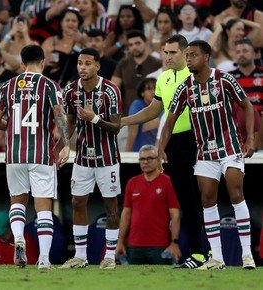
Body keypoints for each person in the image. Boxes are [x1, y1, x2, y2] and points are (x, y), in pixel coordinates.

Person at [158, 40, 256, 270]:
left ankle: (247, 255)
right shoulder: (185, 87)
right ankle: (217, 259)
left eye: (193, 55)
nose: (188, 59)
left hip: (230, 147)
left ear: (206, 57)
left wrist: (250, 138)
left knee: (235, 194)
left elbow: (247, 106)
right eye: (187, 55)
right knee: (207, 200)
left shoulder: (224, 79)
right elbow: (170, 119)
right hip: (205, 152)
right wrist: (161, 146)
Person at [121, 34, 205, 269]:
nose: (167, 57)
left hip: (196, 140)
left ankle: (208, 253)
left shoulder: (196, 75)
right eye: (165, 52)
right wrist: (125, 121)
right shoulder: (163, 79)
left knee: (203, 199)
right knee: (186, 201)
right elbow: (154, 110)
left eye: (173, 52)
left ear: (185, 52)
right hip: (172, 142)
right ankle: (197, 254)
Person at [0, 44, 70, 269]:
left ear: (22, 64)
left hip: (14, 155)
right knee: (43, 207)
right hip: (41, 154)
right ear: (43, 62)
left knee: (17, 202)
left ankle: (18, 239)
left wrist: (12, 126)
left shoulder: (8, 85)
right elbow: (60, 115)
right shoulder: (50, 85)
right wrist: (64, 144)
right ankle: (43, 259)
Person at [60, 48, 122, 270]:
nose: (82, 68)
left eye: (87, 63)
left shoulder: (110, 91)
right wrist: (65, 146)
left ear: (97, 66)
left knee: (111, 205)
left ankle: (110, 255)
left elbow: (116, 127)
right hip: (83, 158)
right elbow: (70, 122)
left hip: (107, 157)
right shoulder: (70, 91)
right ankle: (80, 256)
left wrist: (94, 118)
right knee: (77, 202)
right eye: (79, 63)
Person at [116, 144, 181, 264]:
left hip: (159, 246)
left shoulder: (167, 182)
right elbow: (126, 214)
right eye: (142, 159)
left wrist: (174, 242)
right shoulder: (132, 182)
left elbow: (175, 214)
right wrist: (120, 242)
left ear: (158, 160)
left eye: (150, 158)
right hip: (134, 245)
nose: (145, 162)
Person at [231, 37, 263, 149]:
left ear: (254, 54)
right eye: (238, 52)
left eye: (245, 51)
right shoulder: (229, 78)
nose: (241, 54)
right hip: (237, 129)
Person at [125, 78, 161, 152]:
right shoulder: (137, 105)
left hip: (156, 153)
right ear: (142, 93)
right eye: (149, 89)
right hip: (137, 152)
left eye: (155, 89)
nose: (153, 92)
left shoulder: (163, 105)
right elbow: (133, 131)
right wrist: (126, 153)